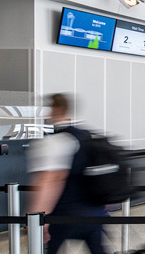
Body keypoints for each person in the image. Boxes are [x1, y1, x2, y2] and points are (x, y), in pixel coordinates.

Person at [28, 94, 108, 254]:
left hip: (65, 215)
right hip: (95, 212)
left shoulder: (54, 142)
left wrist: (36, 216)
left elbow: (51, 180)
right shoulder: (86, 136)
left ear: (56, 109)